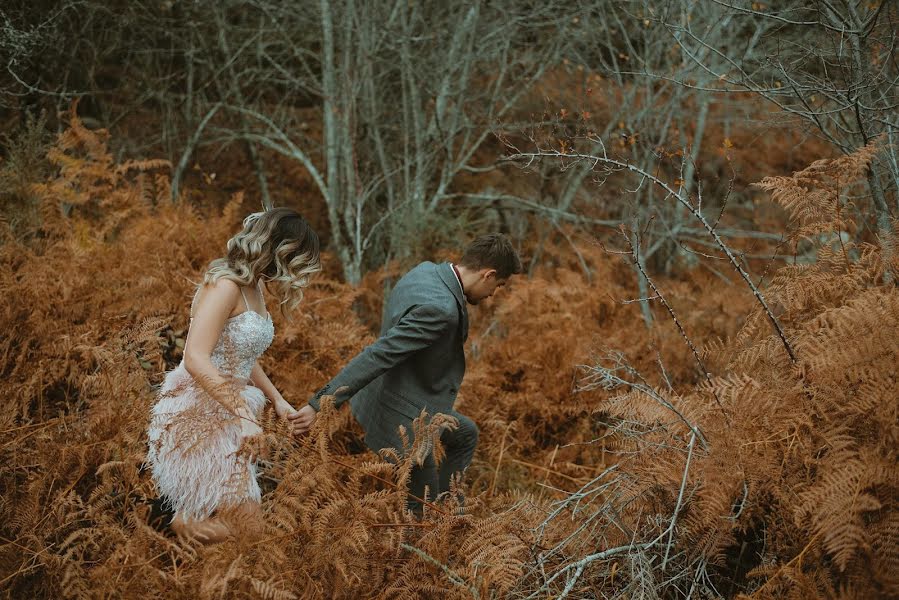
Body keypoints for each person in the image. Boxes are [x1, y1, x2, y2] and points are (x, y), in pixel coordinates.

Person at [288, 234, 522, 512]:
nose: (494, 294)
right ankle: (430, 533)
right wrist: (321, 404)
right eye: (499, 285)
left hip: (401, 393)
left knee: (465, 434)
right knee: (422, 507)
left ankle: (452, 516)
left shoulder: (426, 271)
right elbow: (379, 354)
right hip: (401, 416)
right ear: (488, 274)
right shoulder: (441, 310)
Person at [147, 208, 320, 543]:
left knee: (238, 533)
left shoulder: (253, 286)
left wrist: (277, 399)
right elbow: (196, 357)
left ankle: (186, 536)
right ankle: (178, 528)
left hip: (228, 415)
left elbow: (241, 355)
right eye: (297, 260)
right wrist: (243, 414)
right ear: (280, 250)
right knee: (249, 533)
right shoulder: (226, 285)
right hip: (199, 415)